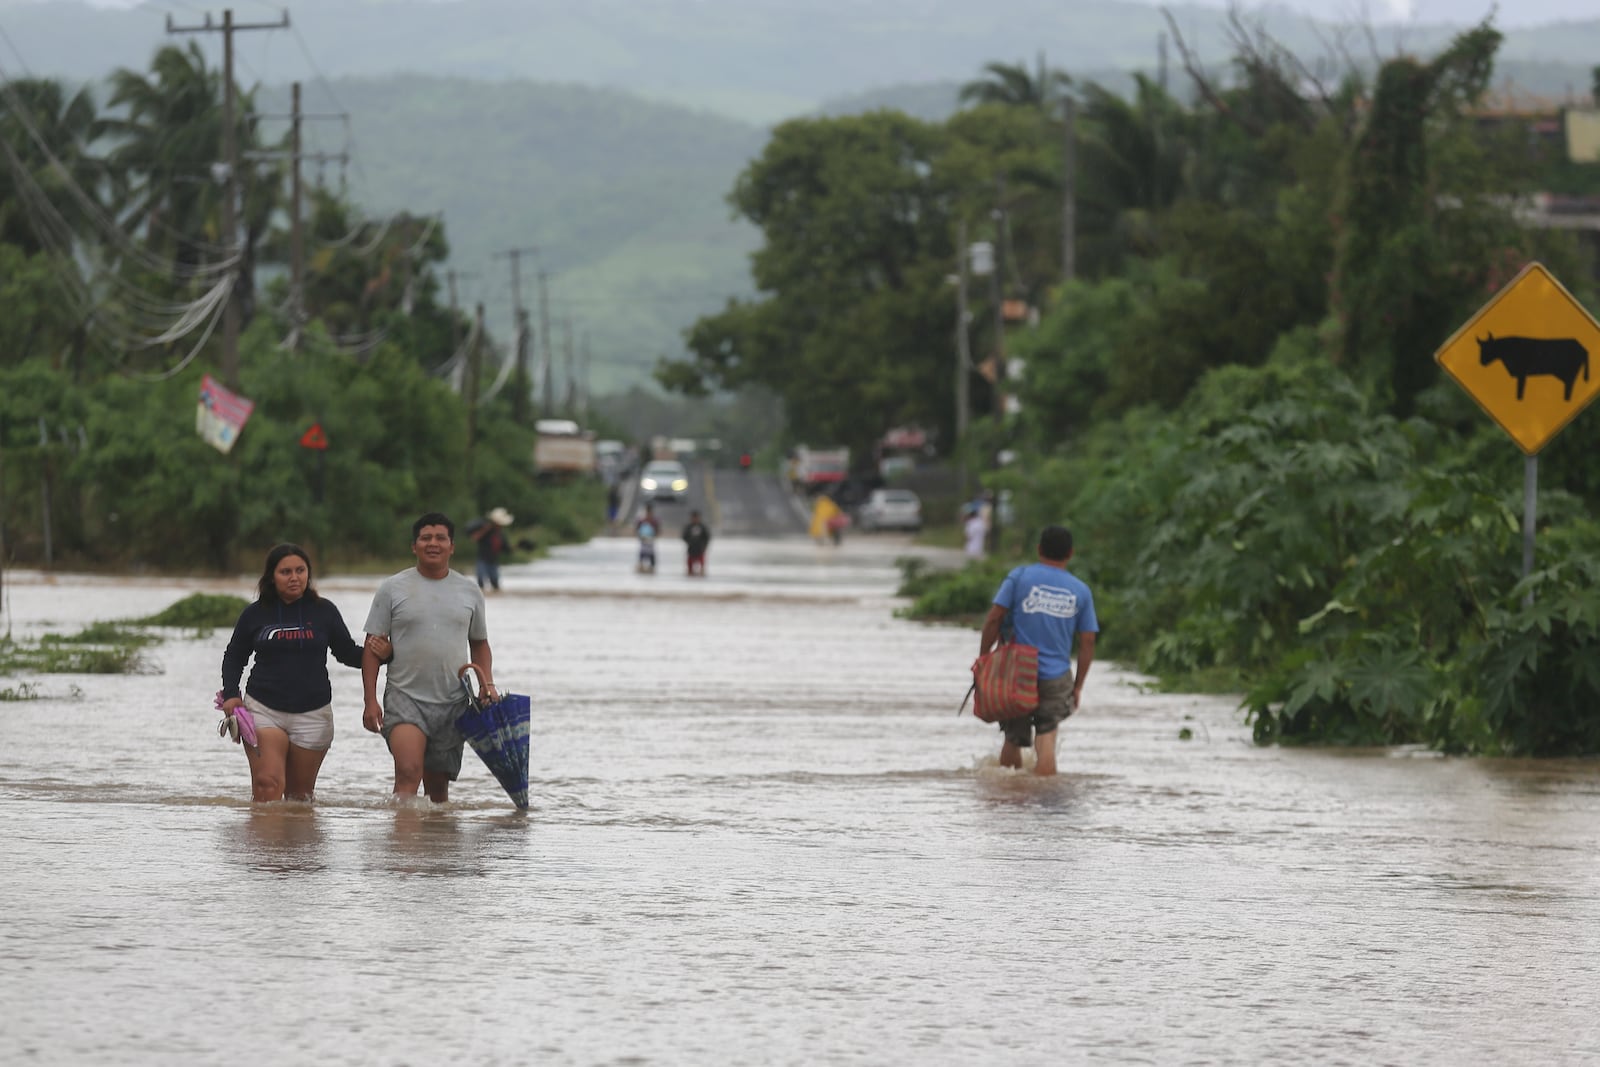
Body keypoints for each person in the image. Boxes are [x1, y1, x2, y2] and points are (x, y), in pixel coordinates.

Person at [219, 543, 389, 802]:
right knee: (267, 784)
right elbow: (234, 657)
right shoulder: (255, 614)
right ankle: (262, 843)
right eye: (285, 572)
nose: (294, 577)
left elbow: (347, 654)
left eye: (300, 570)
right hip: (263, 708)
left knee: (300, 797)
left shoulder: (324, 611)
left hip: (313, 712)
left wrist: (386, 654)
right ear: (271, 577)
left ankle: (296, 844)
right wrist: (231, 693)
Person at [362, 513, 497, 803]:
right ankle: (403, 846)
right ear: (414, 546)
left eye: (440, 538)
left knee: (438, 789)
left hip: (453, 701)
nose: (433, 544)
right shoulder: (392, 588)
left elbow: (480, 643)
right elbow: (372, 647)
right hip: (404, 697)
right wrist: (369, 700)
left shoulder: (470, 591)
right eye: (426, 538)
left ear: (452, 546)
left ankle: (433, 847)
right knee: (408, 771)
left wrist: (488, 685)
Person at [977, 525, 1098, 777]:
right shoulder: (1080, 590)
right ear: (1070, 553)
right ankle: (1045, 803)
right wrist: (1078, 686)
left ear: (1039, 549)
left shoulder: (1019, 578)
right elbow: (1087, 642)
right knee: (1047, 735)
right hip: (1056, 675)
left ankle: (1011, 798)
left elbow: (994, 619)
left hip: (1017, 672)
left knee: (1013, 737)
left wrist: (984, 658)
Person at [470, 506, 513, 593]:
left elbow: (507, 549)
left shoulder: (501, 535)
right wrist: (485, 529)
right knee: (481, 581)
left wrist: (519, 546)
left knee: (495, 584)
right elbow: (475, 538)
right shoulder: (486, 531)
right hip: (482, 559)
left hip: (493, 561)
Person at [682, 510, 711, 576]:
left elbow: (707, 537)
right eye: (694, 517)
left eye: (696, 517)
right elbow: (684, 536)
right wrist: (689, 542)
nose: (695, 519)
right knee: (690, 565)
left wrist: (704, 545)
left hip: (700, 549)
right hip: (691, 548)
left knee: (702, 565)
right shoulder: (689, 527)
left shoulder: (703, 527)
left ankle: (702, 574)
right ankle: (690, 574)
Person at [635, 504, 659, 573]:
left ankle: (651, 567)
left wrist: (654, 536)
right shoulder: (642, 520)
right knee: (643, 553)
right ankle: (641, 565)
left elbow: (657, 530)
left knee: (651, 554)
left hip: (650, 540)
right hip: (643, 539)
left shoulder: (654, 521)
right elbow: (638, 529)